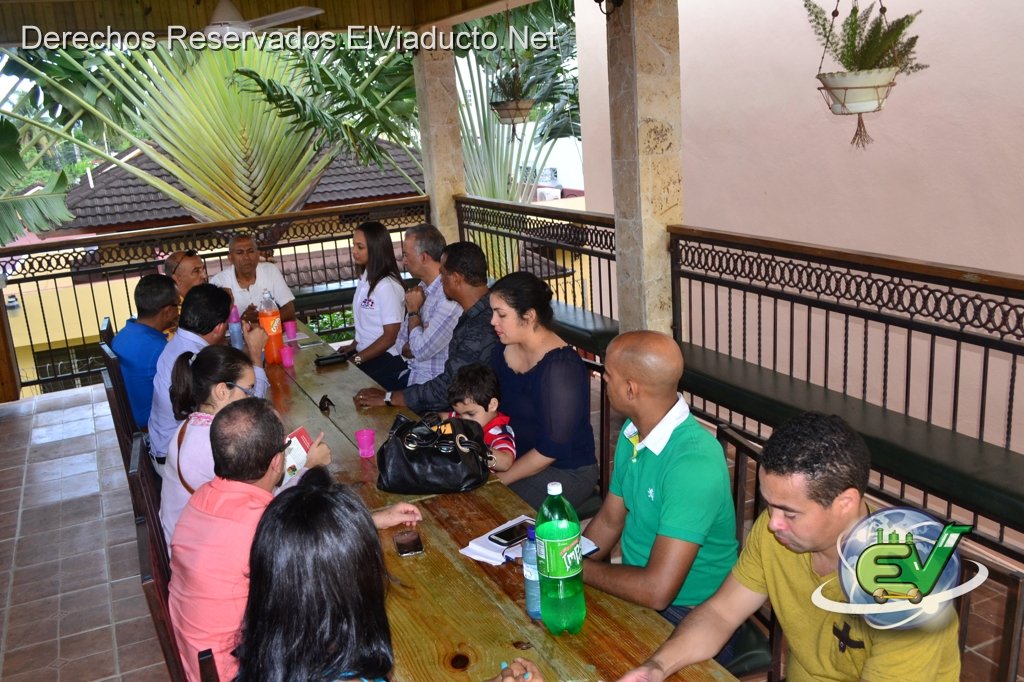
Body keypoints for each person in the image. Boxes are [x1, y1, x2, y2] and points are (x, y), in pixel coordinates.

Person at [618, 412, 961, 682]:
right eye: (771, 504)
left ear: (845, 502)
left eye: (790, 512)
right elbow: (721, 613)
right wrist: (657, 667)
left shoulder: (908, 592)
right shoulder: (777, 537)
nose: (772, 523)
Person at [169, 399, 420, 682]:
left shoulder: (203, 497)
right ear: (278, 462)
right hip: (238, 669)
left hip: (199, 657)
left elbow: (299, 533)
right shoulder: (262, 524)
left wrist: (370, 519)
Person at [582, 332, 738, 640]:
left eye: (607, 375)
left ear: (630, 389)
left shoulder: (693, 464)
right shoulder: (634, 432)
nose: (604, 381)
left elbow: (657, 592)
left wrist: (574, 568)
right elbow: (611, 519)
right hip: (639, 590)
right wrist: (569, 559)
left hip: (694, 613)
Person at [158, 344, 331, 549]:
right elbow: (266, 506)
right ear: (222, 391)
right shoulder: (214, 443)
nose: (252, 398)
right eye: (248, 390)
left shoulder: (199, 426)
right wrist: (308, 468)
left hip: (198, 541)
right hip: (204, 551)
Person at [488, 272, 598, 509]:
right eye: (493, 312)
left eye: (501, 314)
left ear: (529, 315)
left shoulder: (561, 367)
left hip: (564, 471)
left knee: (487, 507)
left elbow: (551, 449)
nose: (493, 321)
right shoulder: (504, 348)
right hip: (516, 456)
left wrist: (500, 480)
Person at [353, 241, 498, 415]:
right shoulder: (475, 312)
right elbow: (403, 343)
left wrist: (388, 398)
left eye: (443, 274)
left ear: (456, 279)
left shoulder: (481, 325)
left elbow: (447, 389)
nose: (440, 280)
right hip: (429, 387)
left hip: (453, 405)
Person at [148, 283, 268, 469]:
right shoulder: (198, 360)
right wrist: (255, 352)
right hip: (178, 461)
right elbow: (248, 409)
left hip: (168, 449)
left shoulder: (180, 344)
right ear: (220, 328)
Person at [358, 223, 461, 390]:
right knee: (359, 390)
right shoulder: (421, 289)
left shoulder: (447, 296)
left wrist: (413, 313)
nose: (404, 261)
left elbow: (420, 350)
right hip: (410, 372)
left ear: (424, 257)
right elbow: (400, 342)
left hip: (428, 385)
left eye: (406, 255)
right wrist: (418, 334)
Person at [110, 273, 180, 427]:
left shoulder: (124, 334)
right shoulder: (158, 349)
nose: (179, 311)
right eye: (178, 305)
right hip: (151, 422)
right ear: (168, 311)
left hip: (134, 414)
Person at [337, 221, 406, 370]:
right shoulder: (365, 279)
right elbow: (366, 328)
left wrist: (357, 359)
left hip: (386, 358)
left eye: (360, 247)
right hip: (366, 354)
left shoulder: (387, 286)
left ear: (376, 249)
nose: (354, 251)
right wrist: (353, 346)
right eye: (353, 245)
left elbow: (390, 337)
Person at [209, 232, 295, 324]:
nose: (246, 257)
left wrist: (261, 319)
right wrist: (242, 321)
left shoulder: (270, 270)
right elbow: (213, 324)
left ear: (258, 255)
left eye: (250, 251)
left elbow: (289, 309)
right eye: (239, 253)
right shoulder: (218, 282)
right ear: (230, 258)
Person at [448, 363, 517, 472]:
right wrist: (434, 428)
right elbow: (443, 420)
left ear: (492, 405)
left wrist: (473, 447)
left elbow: (506, 462)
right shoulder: (462, 417)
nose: (464, 420)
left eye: (470, 414)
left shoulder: (499, 432)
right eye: (460, 414)